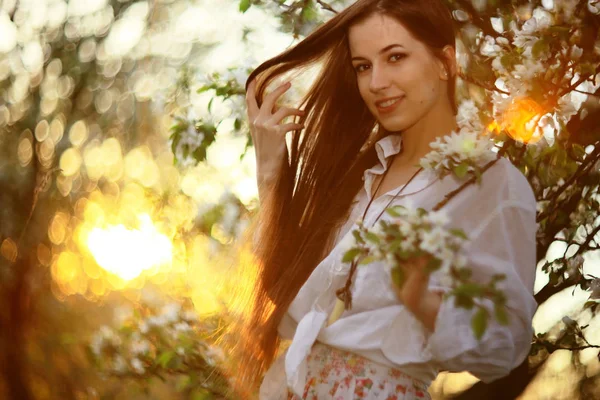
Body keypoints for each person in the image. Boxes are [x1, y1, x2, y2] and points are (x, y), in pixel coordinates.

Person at [227, 0, 538, 399]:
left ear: (445, 62)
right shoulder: (359, 178)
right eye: (363, 66)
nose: (376, 83)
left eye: (395, 57)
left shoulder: (489, 184)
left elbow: (505, 347)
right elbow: (286, 295)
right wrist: (271, 175)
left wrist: (424, 300)